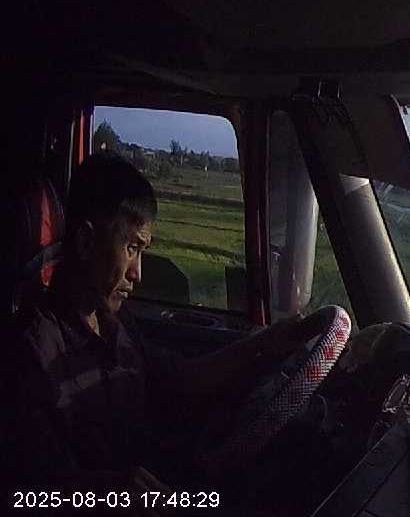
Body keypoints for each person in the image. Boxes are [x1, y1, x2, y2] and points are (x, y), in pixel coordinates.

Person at [2, 153, 315, 495]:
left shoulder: (111, 320)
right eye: (131, 248)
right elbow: (33, 492)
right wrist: (110, 491)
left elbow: (183, 377)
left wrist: (263, 343)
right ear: (86, 242)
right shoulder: (34, 349)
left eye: (142, 251)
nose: (137, 273)